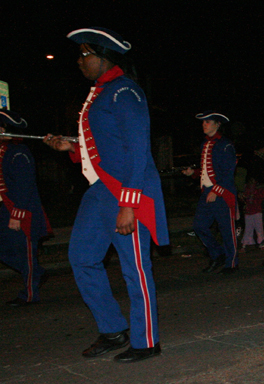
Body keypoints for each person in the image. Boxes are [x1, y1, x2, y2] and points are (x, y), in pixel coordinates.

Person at [43, 27, 168, 363]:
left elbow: (137, 151)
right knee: (82, 258)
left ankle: (146, 341)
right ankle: (113, 329)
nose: (80, 61)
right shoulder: (100, 93)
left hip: (126, 190)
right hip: (99, 190)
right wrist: (70, 146)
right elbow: (103, 145)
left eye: (85, 54)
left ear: (104, 57)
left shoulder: (125, 92)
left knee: (135, 269)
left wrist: (129, 203)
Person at [0, 110, 49, 307]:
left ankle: (29, 294)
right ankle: (36, 272)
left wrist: (17, 214)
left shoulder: (18, 153)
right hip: (4, 209)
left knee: (25, 252)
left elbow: (24, 186)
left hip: (21, 211)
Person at [184, 112, 238, 274]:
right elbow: (207, 172)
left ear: (217, 124)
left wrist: (216, 190)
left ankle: (232, 263)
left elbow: (229, 172)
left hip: (222, 192)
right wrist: (193, 173)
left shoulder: (226, 145)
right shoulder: (204, 144)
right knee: (199, 226)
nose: (204, 125)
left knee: (226, 229)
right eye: (203, 122)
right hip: (207, 192)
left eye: (207, 122)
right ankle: (218, 254)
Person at [238, 175, 264, 250]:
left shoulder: (258, 190)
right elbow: (243, 199)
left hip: (256, 212)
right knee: (248, 229)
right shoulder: (247, 190)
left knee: (259, 229)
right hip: (249, 212)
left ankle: (261, 243)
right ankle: (244, 245)